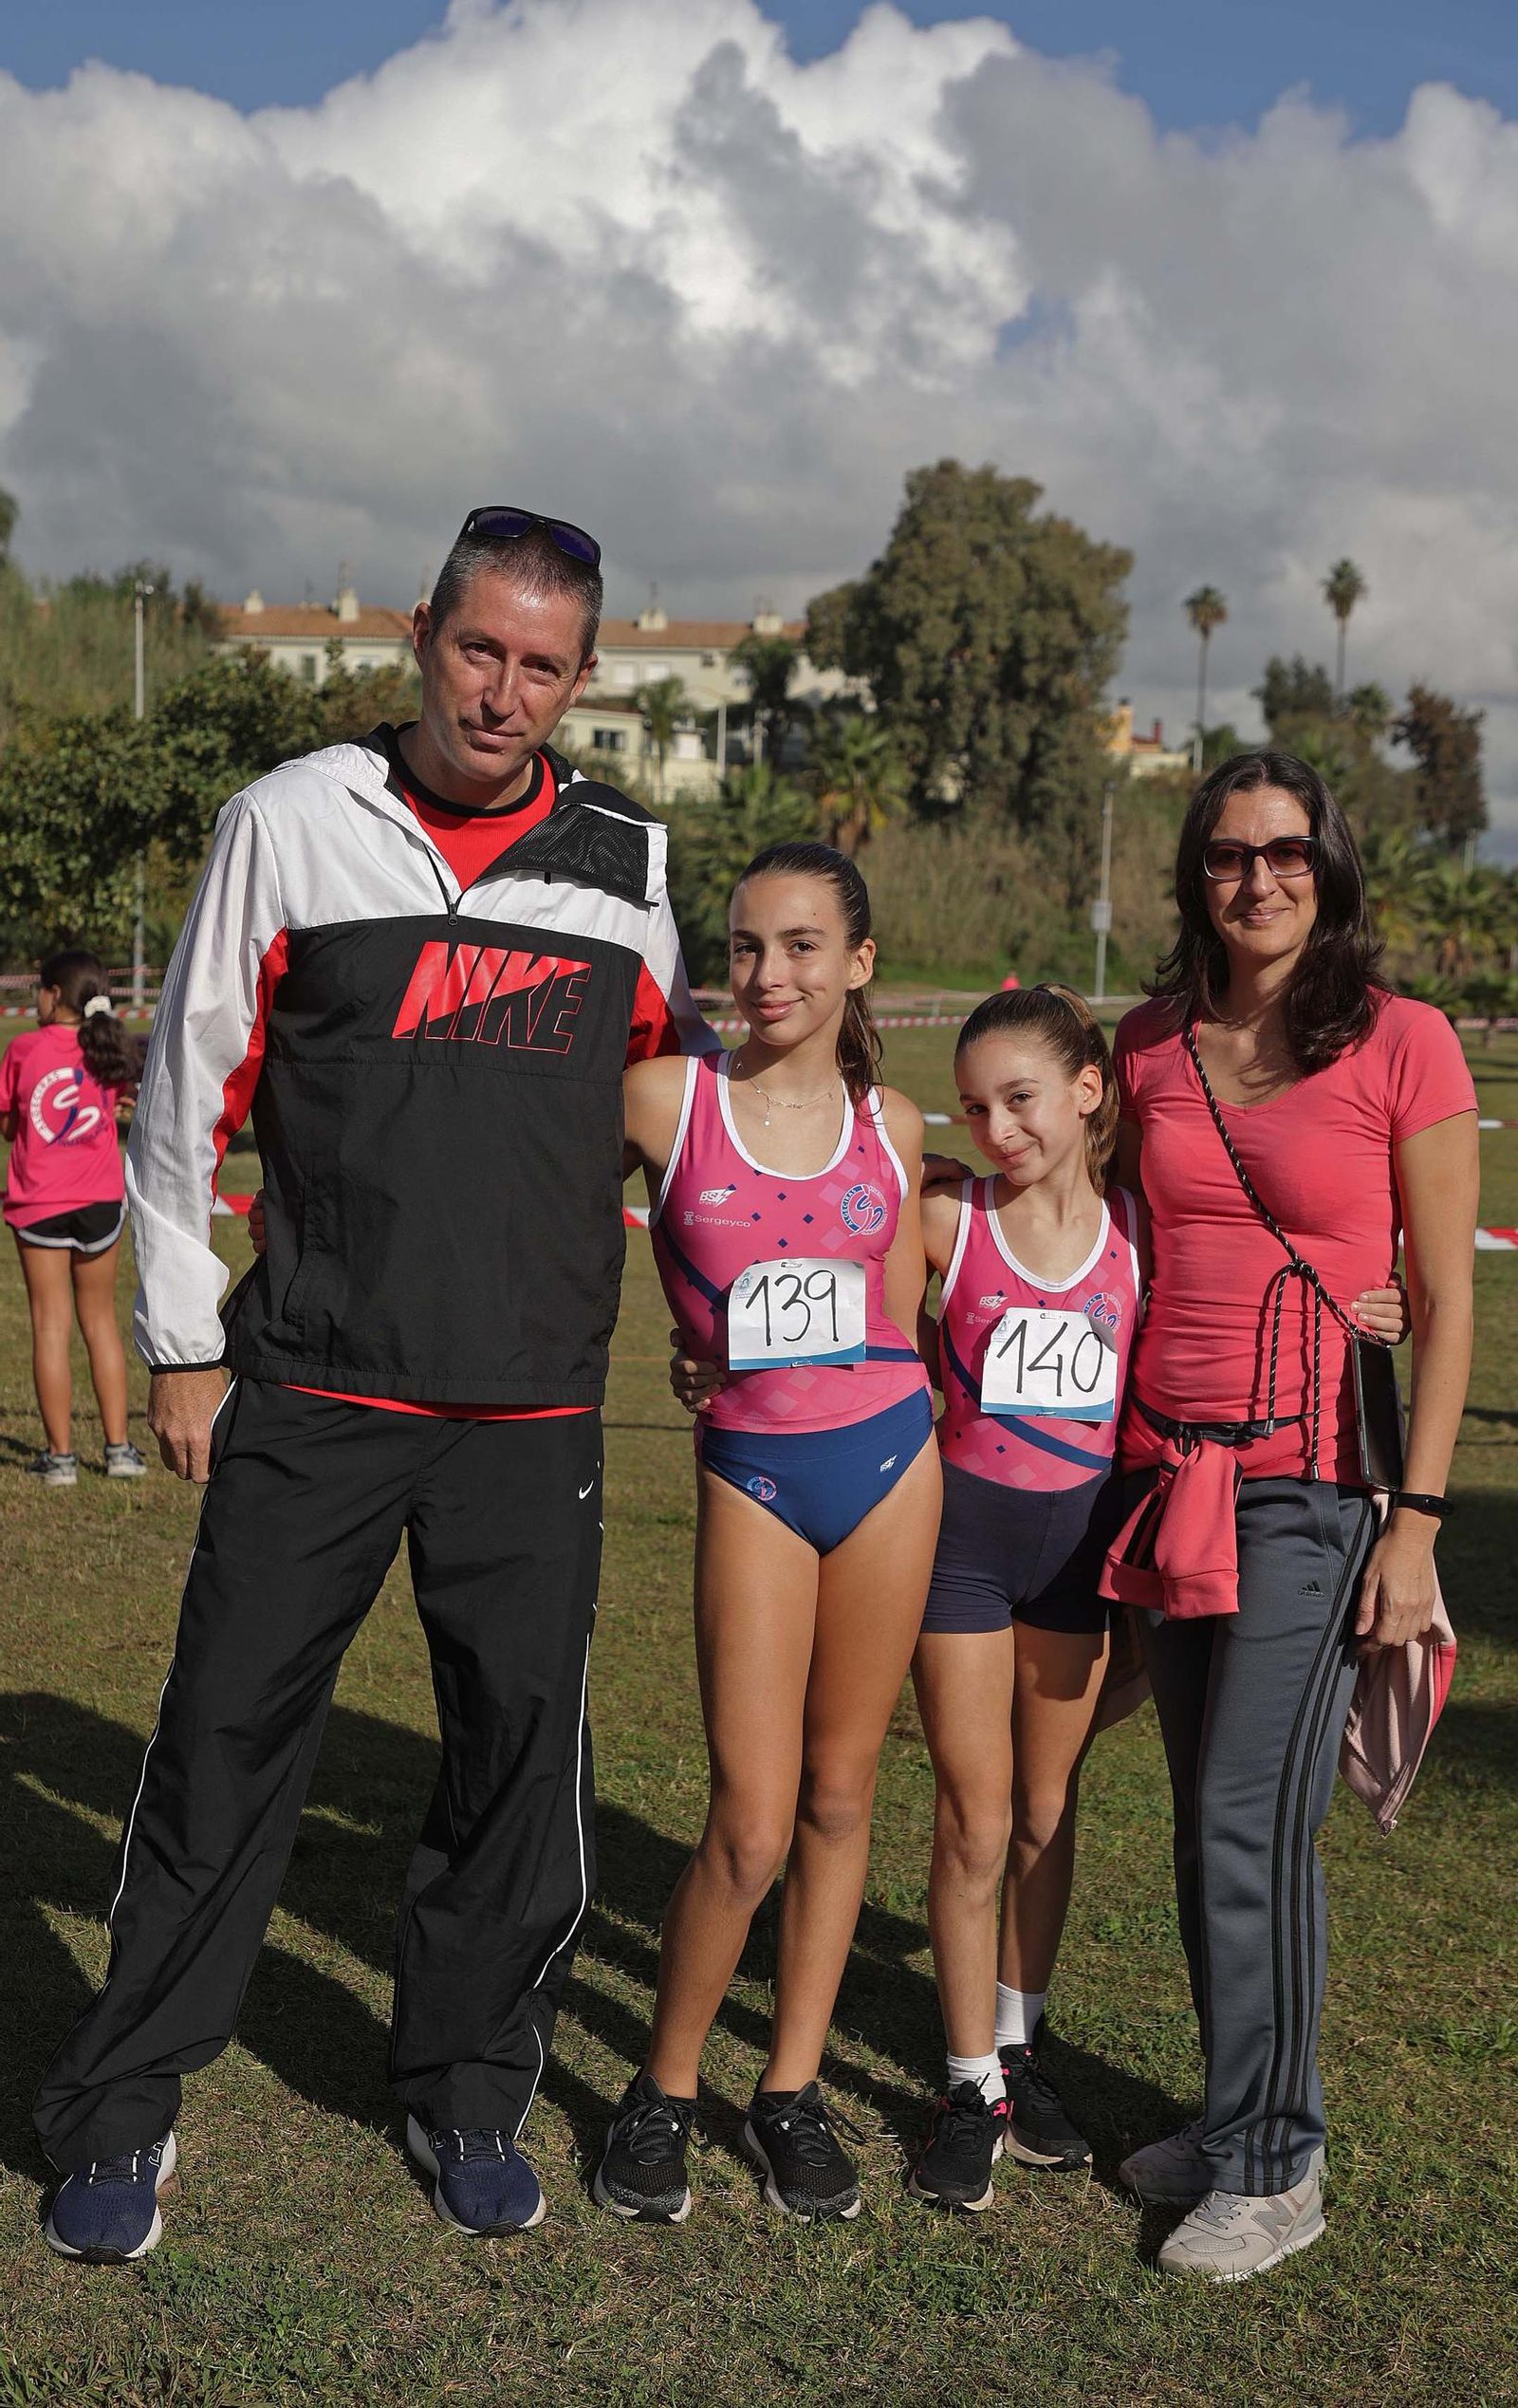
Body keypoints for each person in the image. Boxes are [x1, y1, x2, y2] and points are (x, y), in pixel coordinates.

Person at [33, 507, 716, 2264]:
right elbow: (182, 1094)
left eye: (543, 665)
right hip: (318, 1389)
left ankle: (467, 2083)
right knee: (221, 1743)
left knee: (513, 1759)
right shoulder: (288, 822)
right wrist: (184, 1346)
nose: (504, 691)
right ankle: (123, 2105)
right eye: (478, 647)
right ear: (423, 634)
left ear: (584, 676)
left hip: (532, 1405)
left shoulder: (628, 862)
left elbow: (671, 1111)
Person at [1108, 750, 1477, 2282]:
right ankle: (1233, 2108)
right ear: (1196, 874)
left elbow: (1450, 1303)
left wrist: (1422, 1521)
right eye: (1226, 855)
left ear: (1328, 872)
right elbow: (1085, 1219)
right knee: (1205, 1822)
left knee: (1255, 1826)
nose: (1256, 878)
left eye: (1286, 853)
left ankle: (1279, 2160)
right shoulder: (1144, 1042)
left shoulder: (1405, 1042)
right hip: (1163, 1471)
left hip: (1313, 1487)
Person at [592, 842, 940, 2224]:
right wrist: (695, 1356)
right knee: (748, 1818)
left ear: (858, 965)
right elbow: (542, 1210)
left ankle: (788, 2090)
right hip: (754, 1476)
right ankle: (663, 2089)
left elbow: (899, 1314)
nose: (767, 974)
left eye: (800, 946)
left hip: (892, 1467)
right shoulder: (669, 1100)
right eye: (743, 945)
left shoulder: (896, 1126)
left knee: (844, 1797)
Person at [904, 986, 1142, 2210]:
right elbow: (826, 1243)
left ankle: (1016, 2046)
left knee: (1046, 1809)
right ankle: (963, 2086)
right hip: (961, 1550)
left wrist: (1369, 1304)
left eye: (1021, 1098)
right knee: (974, 1815)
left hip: (1076, 1559)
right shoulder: (951, 1217)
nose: (998, 1126)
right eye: (976, 1105)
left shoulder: (1142, 1233)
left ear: (1088, 1089)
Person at [1, 950, 147, 1486]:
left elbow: (11, 1124)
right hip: (99, 1204)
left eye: (37, 989)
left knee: (50, 1326)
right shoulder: (105, 1047)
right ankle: (120, 1451)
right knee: (101, 1323)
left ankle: (60, 1459)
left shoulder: (23, 1049)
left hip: (40, 1202)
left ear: (54, 994)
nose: (33, 998)